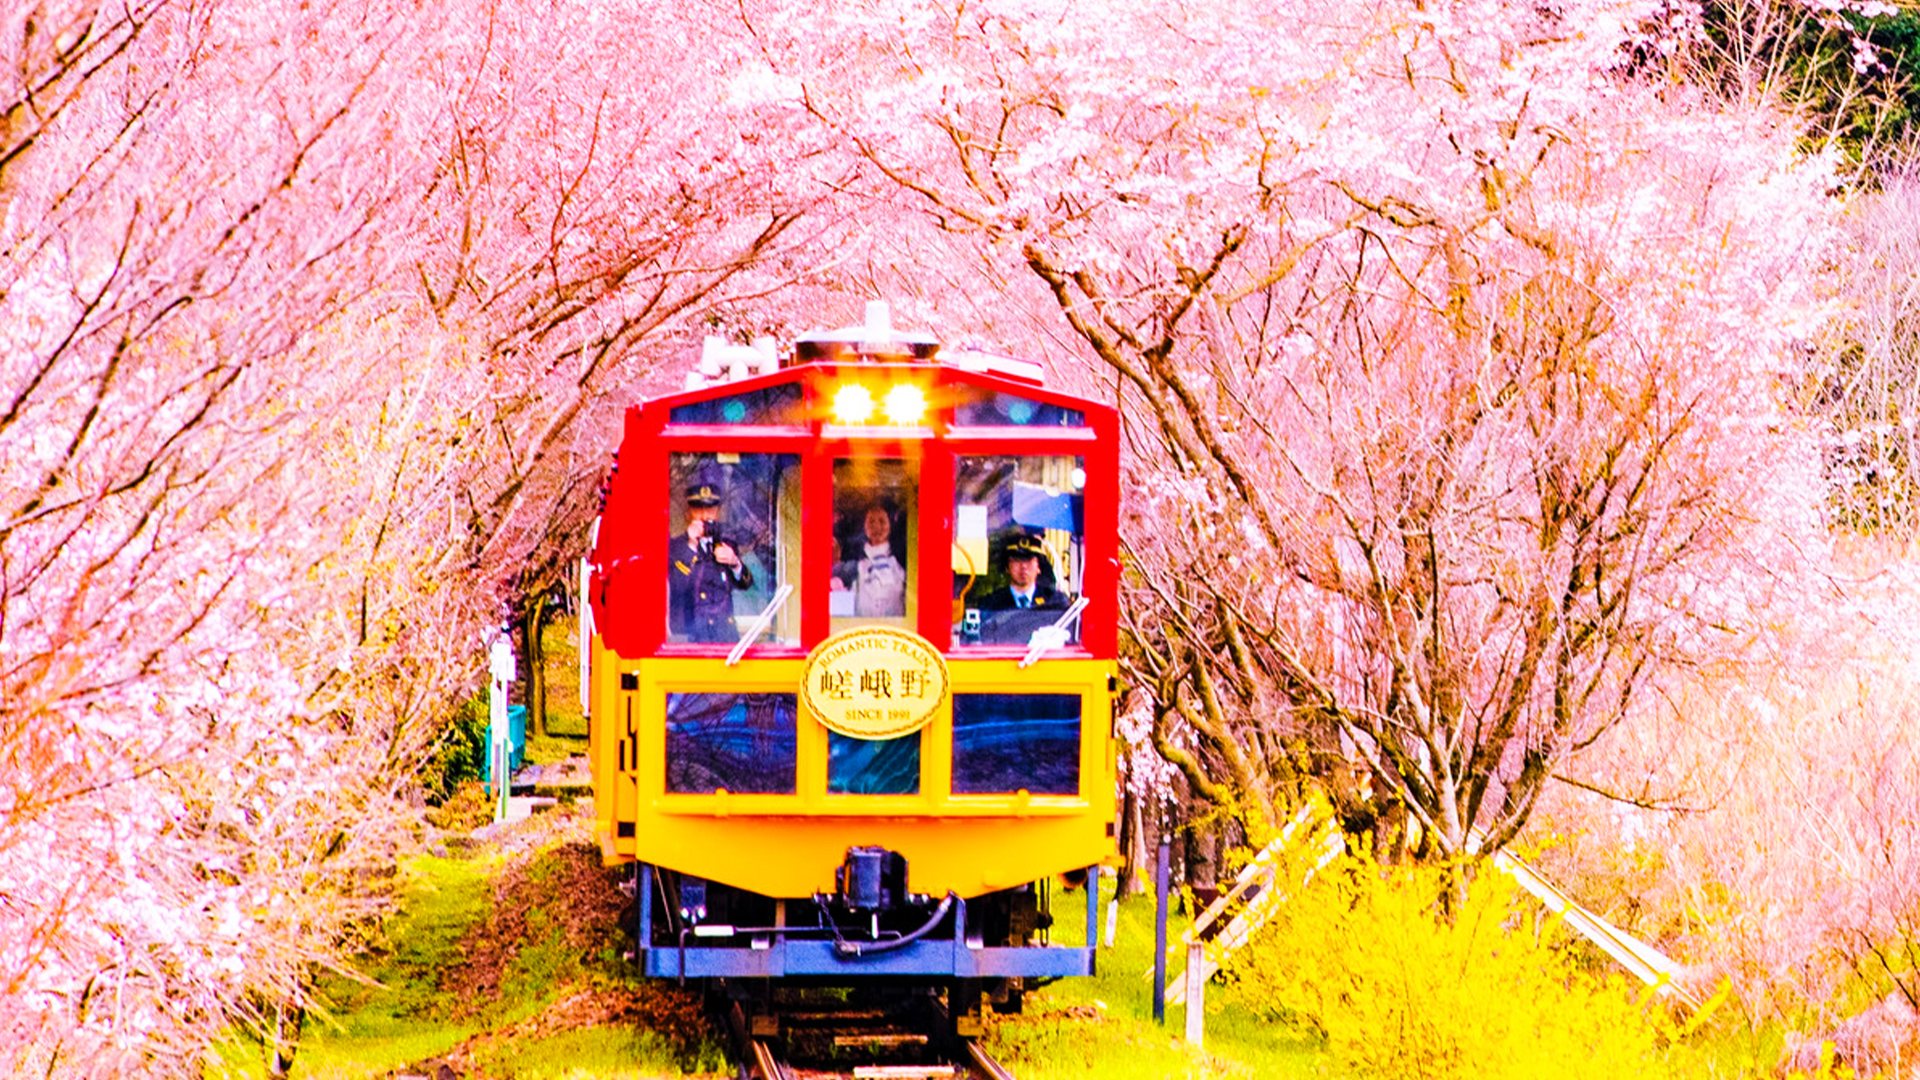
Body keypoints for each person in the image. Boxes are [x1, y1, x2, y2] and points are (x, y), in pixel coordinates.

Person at [668, 482, 755, 643]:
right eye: (697, 510)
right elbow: (677, 587)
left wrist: (735, 563)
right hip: (690, 637)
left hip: (725, 637)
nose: (704, 516)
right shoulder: (676, 547)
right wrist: (691, 546)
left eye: (710, 510)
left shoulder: (727, 544)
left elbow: (747, 584)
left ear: (718, 513)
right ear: (688, 514)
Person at [973, 533, 1071, 643]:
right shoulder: (991, 604)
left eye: (1029, 560)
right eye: (1016, 560)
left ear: (1038, 567)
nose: (1023, 566)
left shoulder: (1054, 602)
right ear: (1007, 567)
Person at [831, 503, 906, 618]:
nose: (876, 526)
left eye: (881, 521)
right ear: (864, 527)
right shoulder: (857, 566)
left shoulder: (900, 566)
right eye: (871, 521)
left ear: (890, 526)